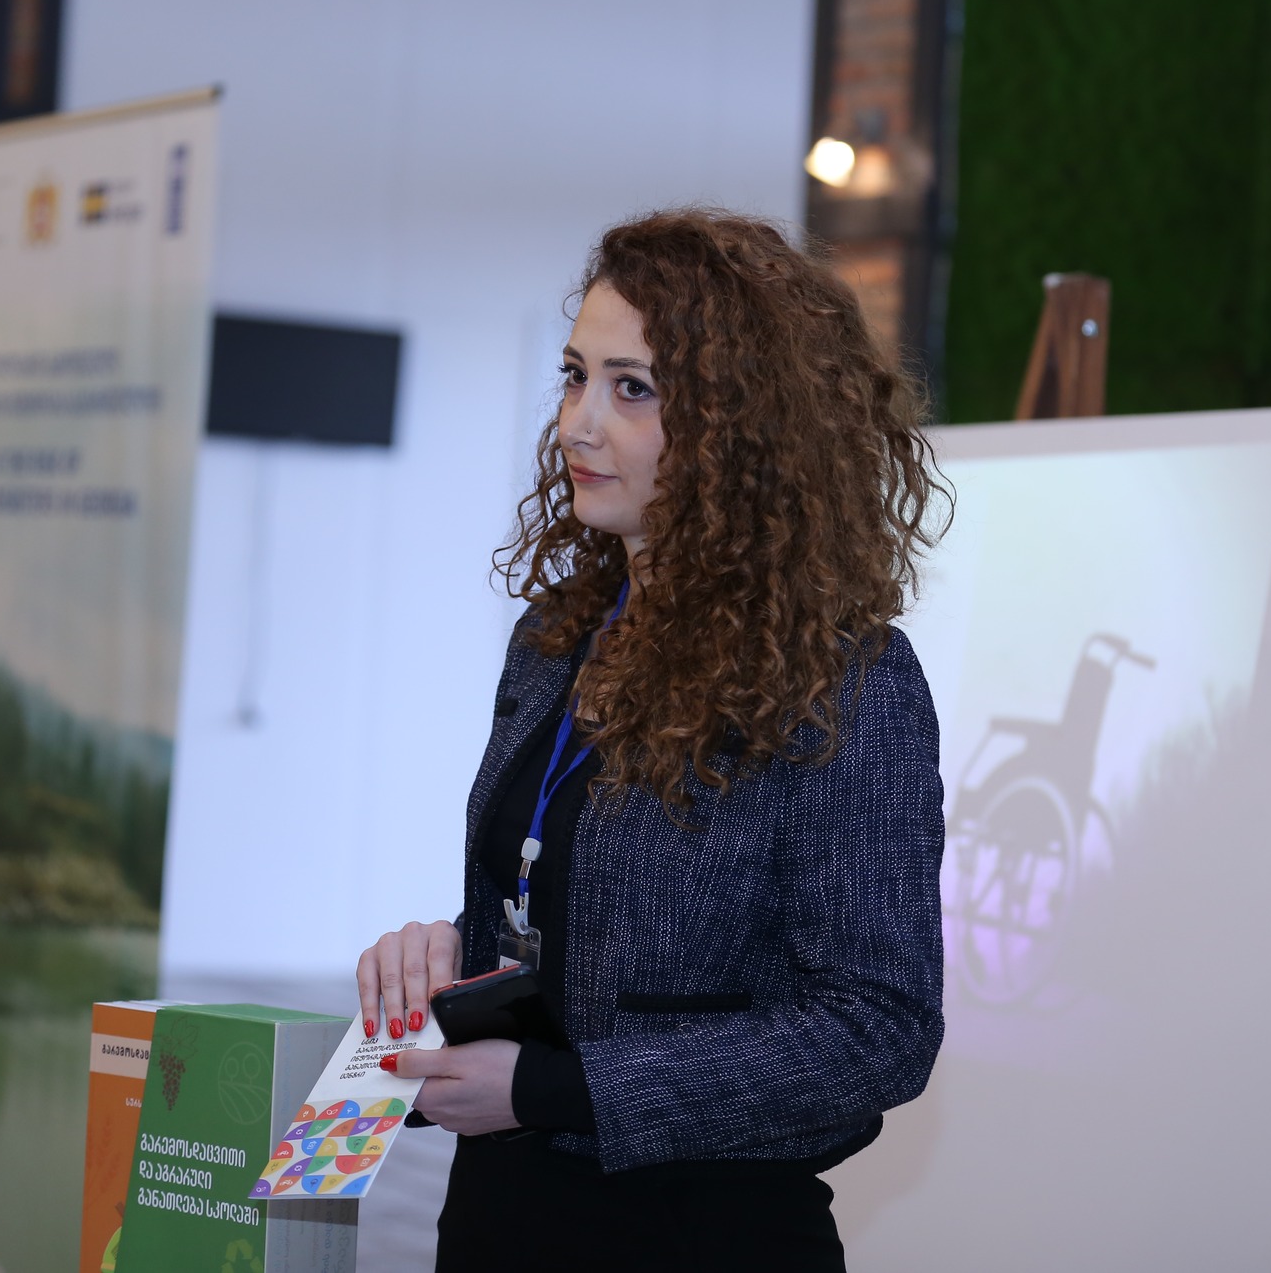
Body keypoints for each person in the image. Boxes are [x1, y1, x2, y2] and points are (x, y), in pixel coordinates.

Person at [354, 208, 948, 1272]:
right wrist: (451, 953)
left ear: (739, 426)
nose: (578, 425)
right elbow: (575, 910)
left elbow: (876, 1028)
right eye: (575, 377)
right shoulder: (554, 641)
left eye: (632, 389)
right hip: (498, 1215)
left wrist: (556, 1089)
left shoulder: (848, 680)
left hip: (695, 1233)